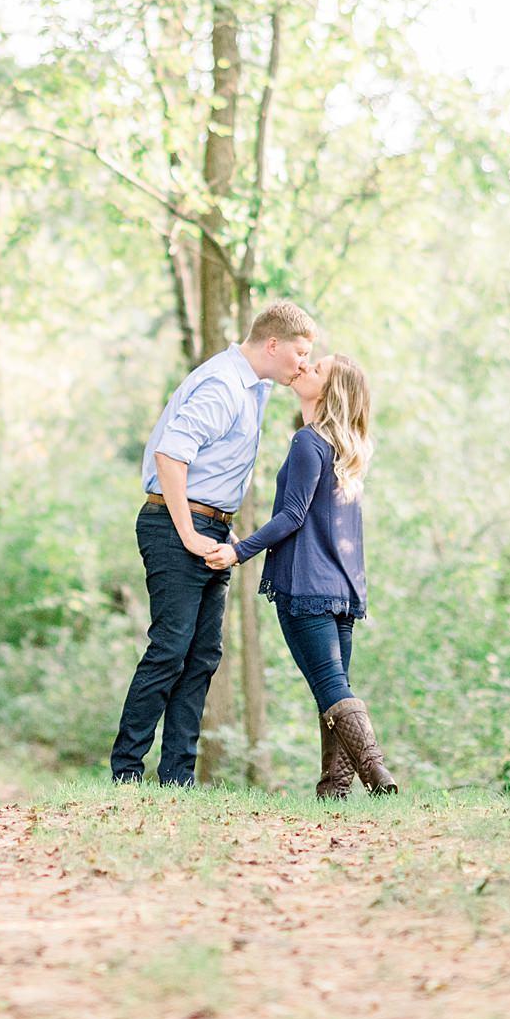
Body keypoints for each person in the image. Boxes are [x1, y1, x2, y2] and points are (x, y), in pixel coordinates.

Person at [108, 299, 318, 786]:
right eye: (301, 352)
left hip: (211, 528)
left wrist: (221, 526)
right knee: (169, 649)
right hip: (175, 526)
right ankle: (126, 774)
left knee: (202, 655)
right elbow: (171, 456)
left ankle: (177, 778)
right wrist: (189, 532)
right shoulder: (223, 384)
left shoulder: (255, 386)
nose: (304, 364)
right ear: (273, 344)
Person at [228, 354, 396, 797]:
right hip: (342, 590)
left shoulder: (309, 442)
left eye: (316, 369)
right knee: (334, 689)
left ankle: (377, 774)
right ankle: (333, 790)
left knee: (331, 687)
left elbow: (291, 516)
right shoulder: (346, 450)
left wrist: (238, 551)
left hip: (307, 587)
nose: (305, 369)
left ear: (328, 391)